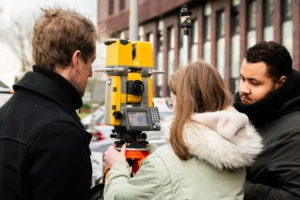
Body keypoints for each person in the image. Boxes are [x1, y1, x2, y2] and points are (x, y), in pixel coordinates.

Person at [103, 60, 263, 200]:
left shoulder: (162, 165)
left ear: (183, 103)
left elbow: (120, 196)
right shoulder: (234, 153)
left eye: (172, 103)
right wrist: (156, 152)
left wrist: (117, 168)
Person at [0, 7, 99, 200]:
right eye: (91, 62)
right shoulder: (60, 131)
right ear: (76, 59)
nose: (91, 72)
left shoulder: (6, 111)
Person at [234, 41, 300, 199]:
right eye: (242, 79)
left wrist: (234, 185)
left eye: (254, 82)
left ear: (280, 83)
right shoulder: (245, 112)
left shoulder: (294, 132)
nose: (243, 89)